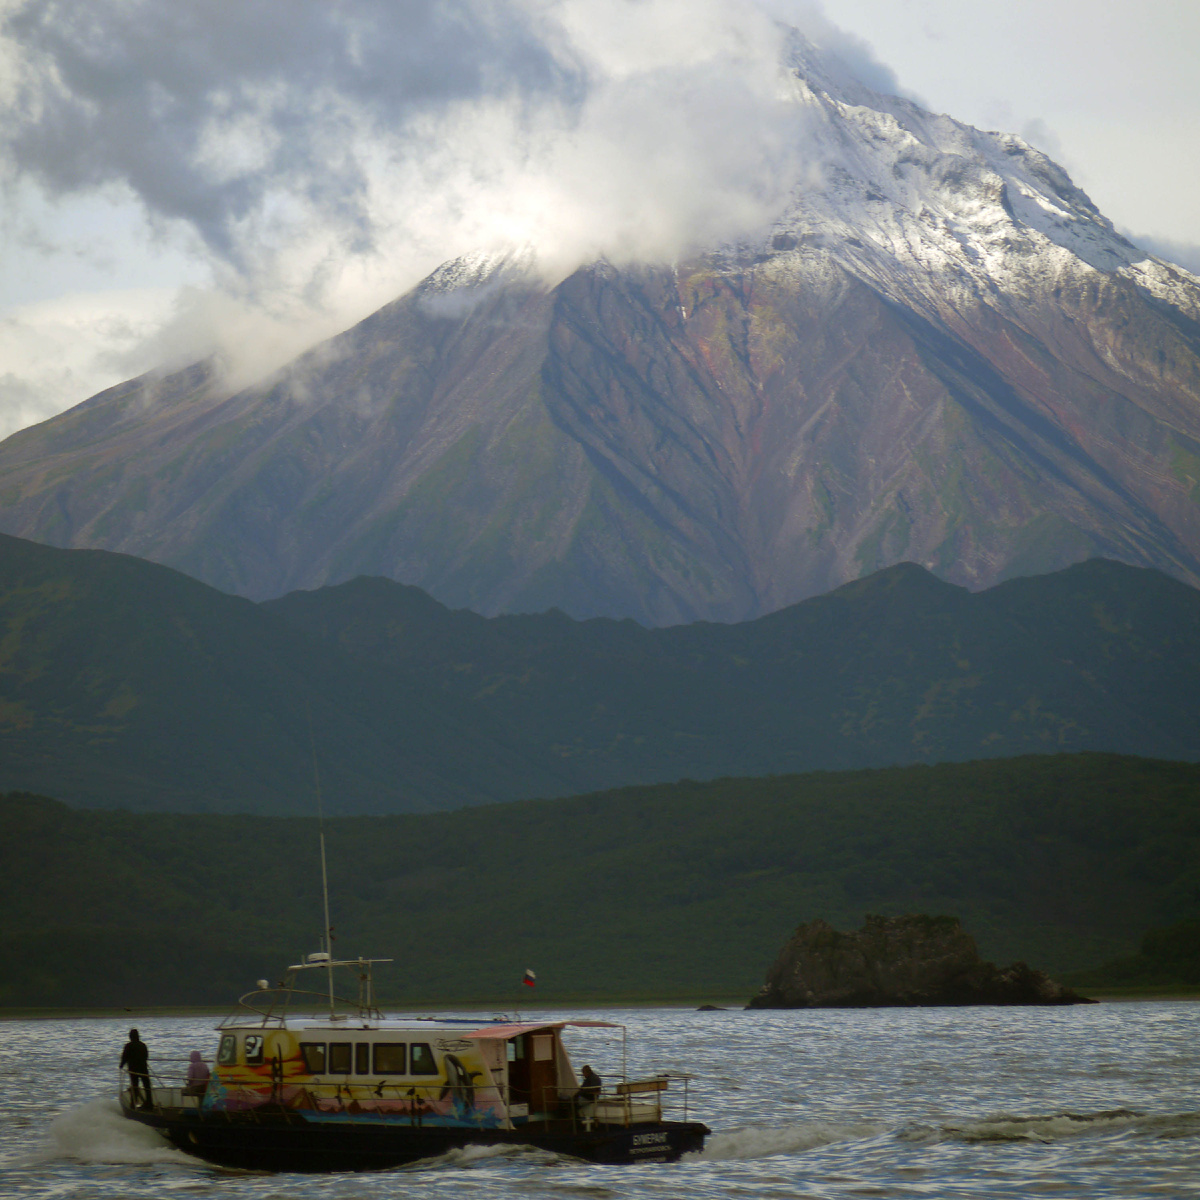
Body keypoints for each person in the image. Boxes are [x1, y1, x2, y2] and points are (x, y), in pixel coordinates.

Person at [119, 1028, 153, 1108]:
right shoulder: (143, 1045)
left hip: (133, 1069)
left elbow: (124, 1057)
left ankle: (133, 1104)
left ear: (130, 1037)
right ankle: (149, 1103)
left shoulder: (128, 1046)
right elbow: (146, 1056)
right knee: (147, 1086)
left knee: (135, 1085)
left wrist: (121, 1065)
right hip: (143, 1068)